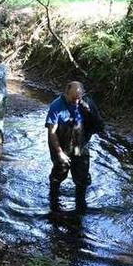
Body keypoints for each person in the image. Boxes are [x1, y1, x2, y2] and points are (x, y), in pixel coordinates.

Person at [45, 81, 105, 211]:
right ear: (66, 93)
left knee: (82, 176)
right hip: (61, 143)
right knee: (60, 172)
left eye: (79, 98)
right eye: (73, 99)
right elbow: (52, 132)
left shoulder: (86, 103)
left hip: (80, 143)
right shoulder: (56, 106)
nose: (76, 102)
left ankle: (81, 207)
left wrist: (90, 113)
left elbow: (99, 125)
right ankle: (53, 200)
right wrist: (59, 153)